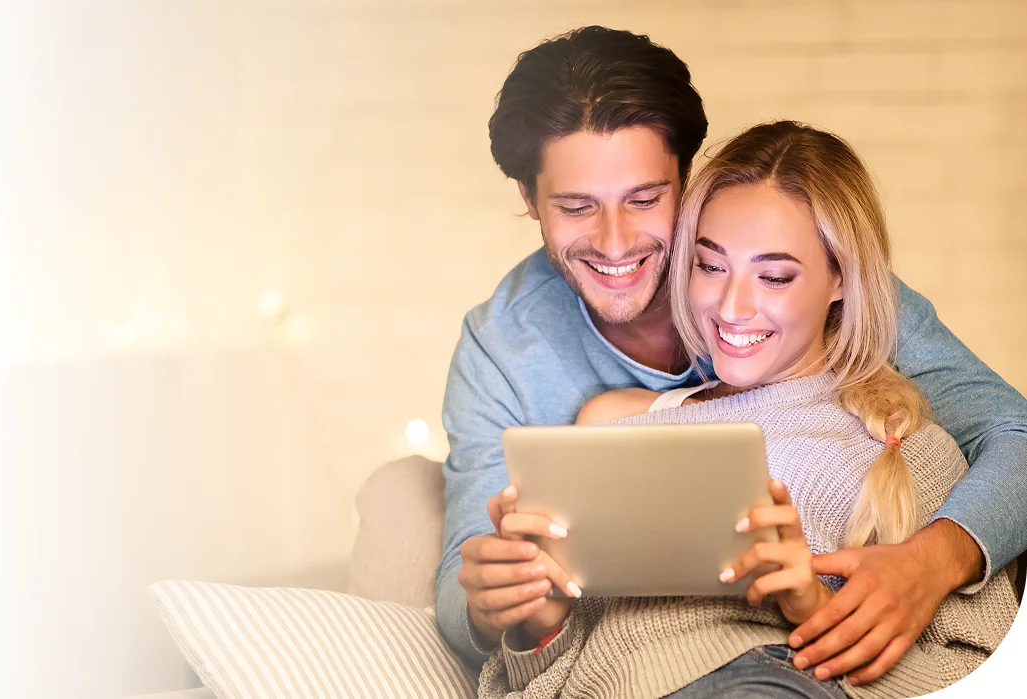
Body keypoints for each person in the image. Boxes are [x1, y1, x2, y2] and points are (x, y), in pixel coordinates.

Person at [436, 25, 1027, 687]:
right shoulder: (503, 348)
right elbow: (468, 598)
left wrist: (932, 558)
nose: (615, 241)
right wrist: (502, 605)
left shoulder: (835, 288)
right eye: (575, 206)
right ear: (527, 199)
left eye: (644, 198)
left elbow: (1014, 436)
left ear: (684, 180)